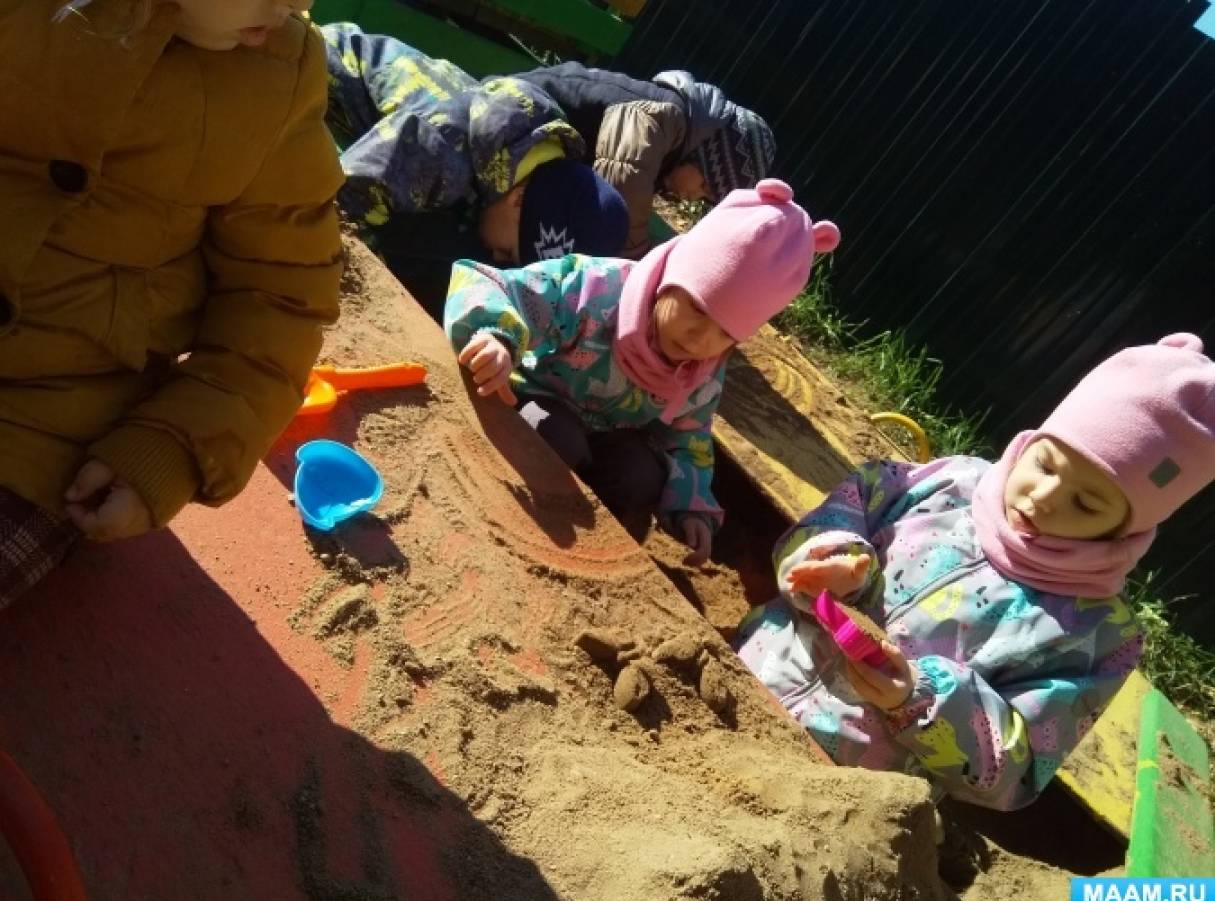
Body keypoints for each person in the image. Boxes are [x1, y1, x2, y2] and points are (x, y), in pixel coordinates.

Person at [735, 334, 1215, 810]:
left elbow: (1018, 775)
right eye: (1045, 464)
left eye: (1086, 504)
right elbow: (851, 503)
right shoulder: (952, 484)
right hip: (744, 672)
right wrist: (829, 556)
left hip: (834, 789)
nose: (1043, 497)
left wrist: (920, 698)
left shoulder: (1094, 634)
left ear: (1126, 529)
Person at [0, 0, 343, 609]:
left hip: (47, 426)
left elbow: (281, 296)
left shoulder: (277, 77)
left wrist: (174, 445)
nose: (298, 3)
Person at [444, 179, 839, 562]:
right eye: (696, 309)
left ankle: (592, 551)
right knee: (560, 440)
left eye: (724, 333)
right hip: (536, 398)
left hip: (608, 432)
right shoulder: (596, 289)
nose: (700, 338)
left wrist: (692, 508)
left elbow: (689, 436)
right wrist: (497, 337)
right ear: (672, 278)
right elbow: (494, 283)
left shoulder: (700, 370)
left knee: (641, 477)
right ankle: (521, 518)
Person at [320, 23, 629, 317]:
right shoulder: (442, 146)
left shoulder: (511, 153)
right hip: (316, 85)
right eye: (508, 253)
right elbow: (341, 200)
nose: (497, 259)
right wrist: (378, 287)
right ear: (518, 199)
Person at [513, 61, 776, 257]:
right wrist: (641, 263)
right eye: (705, 187)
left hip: (526, 150)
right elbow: (618, 197)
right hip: (510, 124)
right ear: (705, 155)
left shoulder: (670, 131)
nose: (694, 196)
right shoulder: (659, 118)